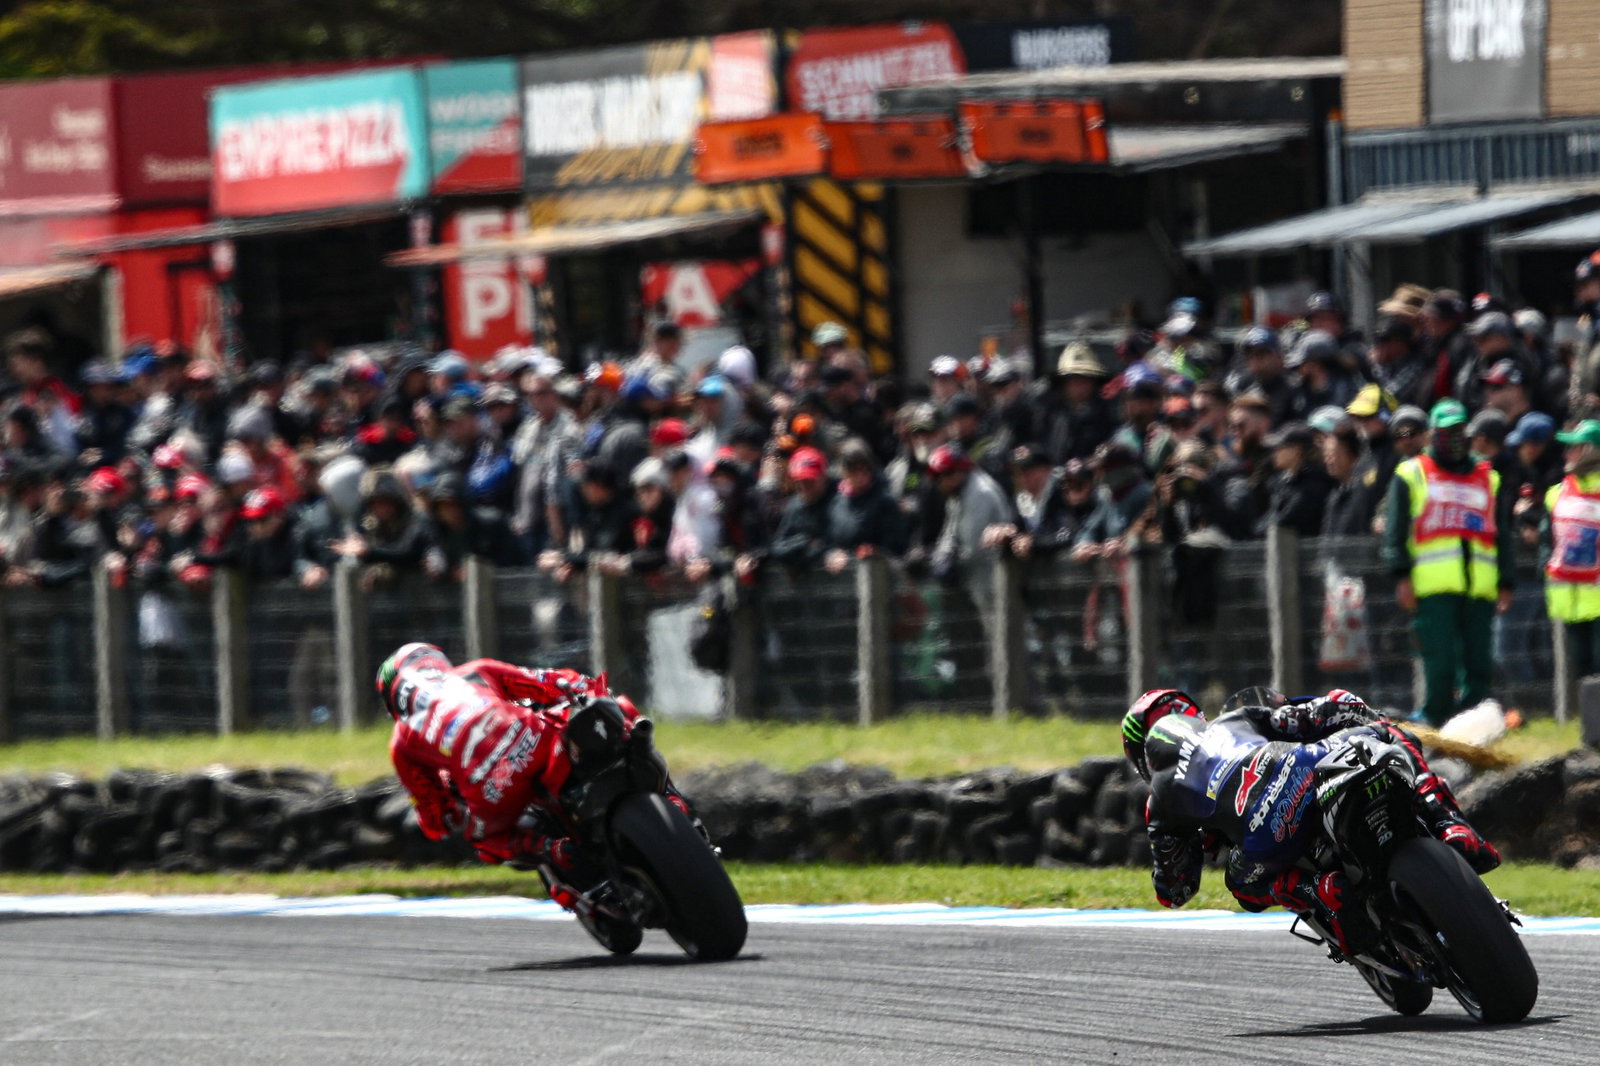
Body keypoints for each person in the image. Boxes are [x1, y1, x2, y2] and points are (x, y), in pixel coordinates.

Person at [1123, 687, 1500, 956]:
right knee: (1392, 736)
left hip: (1266, 832)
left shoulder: (1161, 797)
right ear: (1192, 713)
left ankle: (1320, 890)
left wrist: (1196, 837)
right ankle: (1451, 825)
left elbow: (1176, 888)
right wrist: (1369, 717)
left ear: (1141, 756)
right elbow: (1323, 711)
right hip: (1308, 769)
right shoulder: (1235, 719)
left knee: (1242, 885)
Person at [378, 643, 659, 884]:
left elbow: (436, 817)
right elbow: (552, 682)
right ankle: (652, 768)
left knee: (485, 841)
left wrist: (450, 814)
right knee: (616, 708)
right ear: (436, 662)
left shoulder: (402, 741)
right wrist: (590, 691)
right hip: (535, 738)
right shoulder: (475, 671)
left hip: (491, 788)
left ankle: (552, 848)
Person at [1381, 399, 1516, 725]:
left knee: (1479, 661)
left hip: (1480, 586)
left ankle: (1478, 720)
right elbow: (1395, 532)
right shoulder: (1412, 474)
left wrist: (1506, 580)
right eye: (1446, 431)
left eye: (1459, 430)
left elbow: (1502, 534)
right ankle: (1437, 719)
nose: (1453, 438)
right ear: (1433, 434)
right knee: (1439, 660)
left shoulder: (1488, 477)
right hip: (1433, 588)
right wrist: (1402, 577)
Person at [1541, 420, 1600, 677]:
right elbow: (1547, 540)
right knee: (1583, 670)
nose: (1567, 454)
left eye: (1574, 447)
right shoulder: (1557, 493)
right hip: (1571, 600)